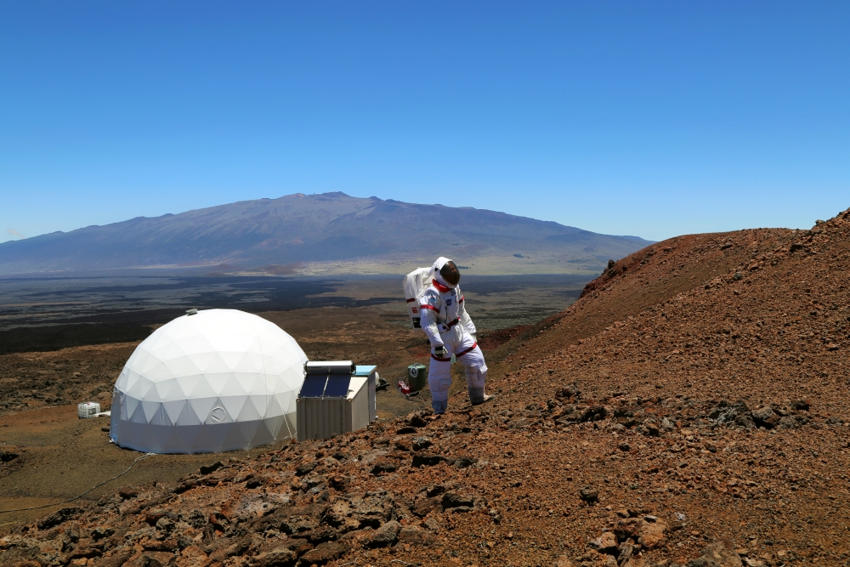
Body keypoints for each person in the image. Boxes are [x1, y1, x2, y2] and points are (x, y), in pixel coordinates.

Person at [417, 257, 492, 414]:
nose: (452, 274)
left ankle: (478, 397)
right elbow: (427, 322)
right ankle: (439, 410)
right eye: (448, 272)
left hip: (459, 331)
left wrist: (471, 332)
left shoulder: (455, 289)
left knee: (477, 362)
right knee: (440, 377)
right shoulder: (432, 293)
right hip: (443, 337)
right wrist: (437, 343)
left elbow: (462, 311)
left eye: (453, 271)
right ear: (438, 273)